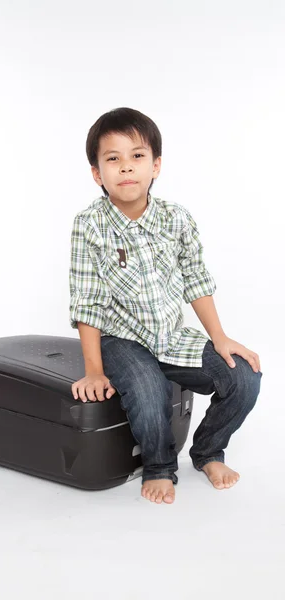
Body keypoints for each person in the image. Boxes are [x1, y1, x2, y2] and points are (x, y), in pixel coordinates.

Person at [69, 107, 263, 505]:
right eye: (113, 159)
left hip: (172, 338)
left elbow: (196, 279)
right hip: (121, 340)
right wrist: (93, 370)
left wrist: (220, 338)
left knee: (243, 376)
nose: (126, 168)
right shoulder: (89, 225)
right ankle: (158, 466)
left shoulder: (176, 219)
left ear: (156, 166)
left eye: (137, 156)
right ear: (96, 173)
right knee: (147, 387)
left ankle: (208, 451)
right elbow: (87, 301)